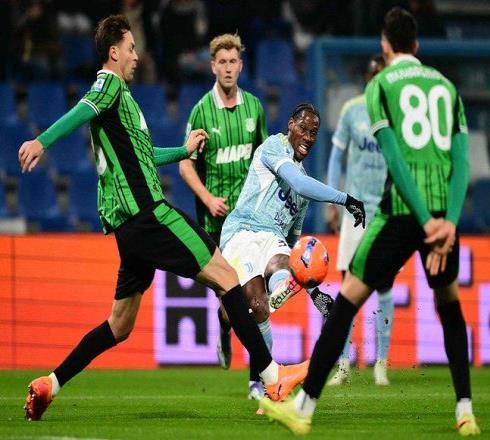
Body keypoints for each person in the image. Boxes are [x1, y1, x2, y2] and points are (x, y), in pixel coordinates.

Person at [20, 14, 308, 422]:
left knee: (119, 325)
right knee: (227, 276)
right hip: (148, 214)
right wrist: (42, 141)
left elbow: (144, 156)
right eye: (131, 48)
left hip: (130, 230)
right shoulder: (108, 86)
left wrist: (182, 151)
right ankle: (273, 377)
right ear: (114, 52)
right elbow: (81, 110)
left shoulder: (120, 102)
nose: (137, 56)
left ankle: (52, 382)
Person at [259, 7, 480, 437]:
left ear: (385, 45)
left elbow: (395, 160)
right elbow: (462, 161)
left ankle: (303, 409)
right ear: (417, 45)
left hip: (400, 213)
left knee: (347, 302)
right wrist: (446, 223)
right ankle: (465, 411)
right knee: (450, 307)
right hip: (442, 216)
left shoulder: (380, 86)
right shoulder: (447, 87)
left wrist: (421, 220)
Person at [220, 103, 366, 400]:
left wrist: (314, 293)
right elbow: (298, 183)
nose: (308, 137)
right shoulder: (274, 146)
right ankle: (226, 326)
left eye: (314, 132)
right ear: (290, 125)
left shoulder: (305, 192)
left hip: (273, 240)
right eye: (303, 128)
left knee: (279, 279)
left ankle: (266, 385)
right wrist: (345, 199)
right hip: (242, 232)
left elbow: (293, 248)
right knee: (249, 306)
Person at [178, 33, 268, 375]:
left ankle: (257, 378)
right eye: (222, 62)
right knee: (232, 303)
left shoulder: (254, 108)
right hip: (215, 223)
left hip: (249, 221)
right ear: (213, 66)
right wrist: (207, 198)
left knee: (253, 296)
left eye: (233, 62)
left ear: (240, 66)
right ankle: (224, 325)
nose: (228, 68)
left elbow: (264, 159)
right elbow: (185, 164)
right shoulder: (201, 111)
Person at [326, 55, 393, 386]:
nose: (377, 81)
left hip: (384, 211)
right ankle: (343, 363)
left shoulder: (397, 115)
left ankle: (381, 362)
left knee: (384, 286)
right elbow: (336, 156)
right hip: (355, 211)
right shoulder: (352, 110)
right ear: (368, 78)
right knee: (348, 285)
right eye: (374, 75)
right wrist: (332, 199)